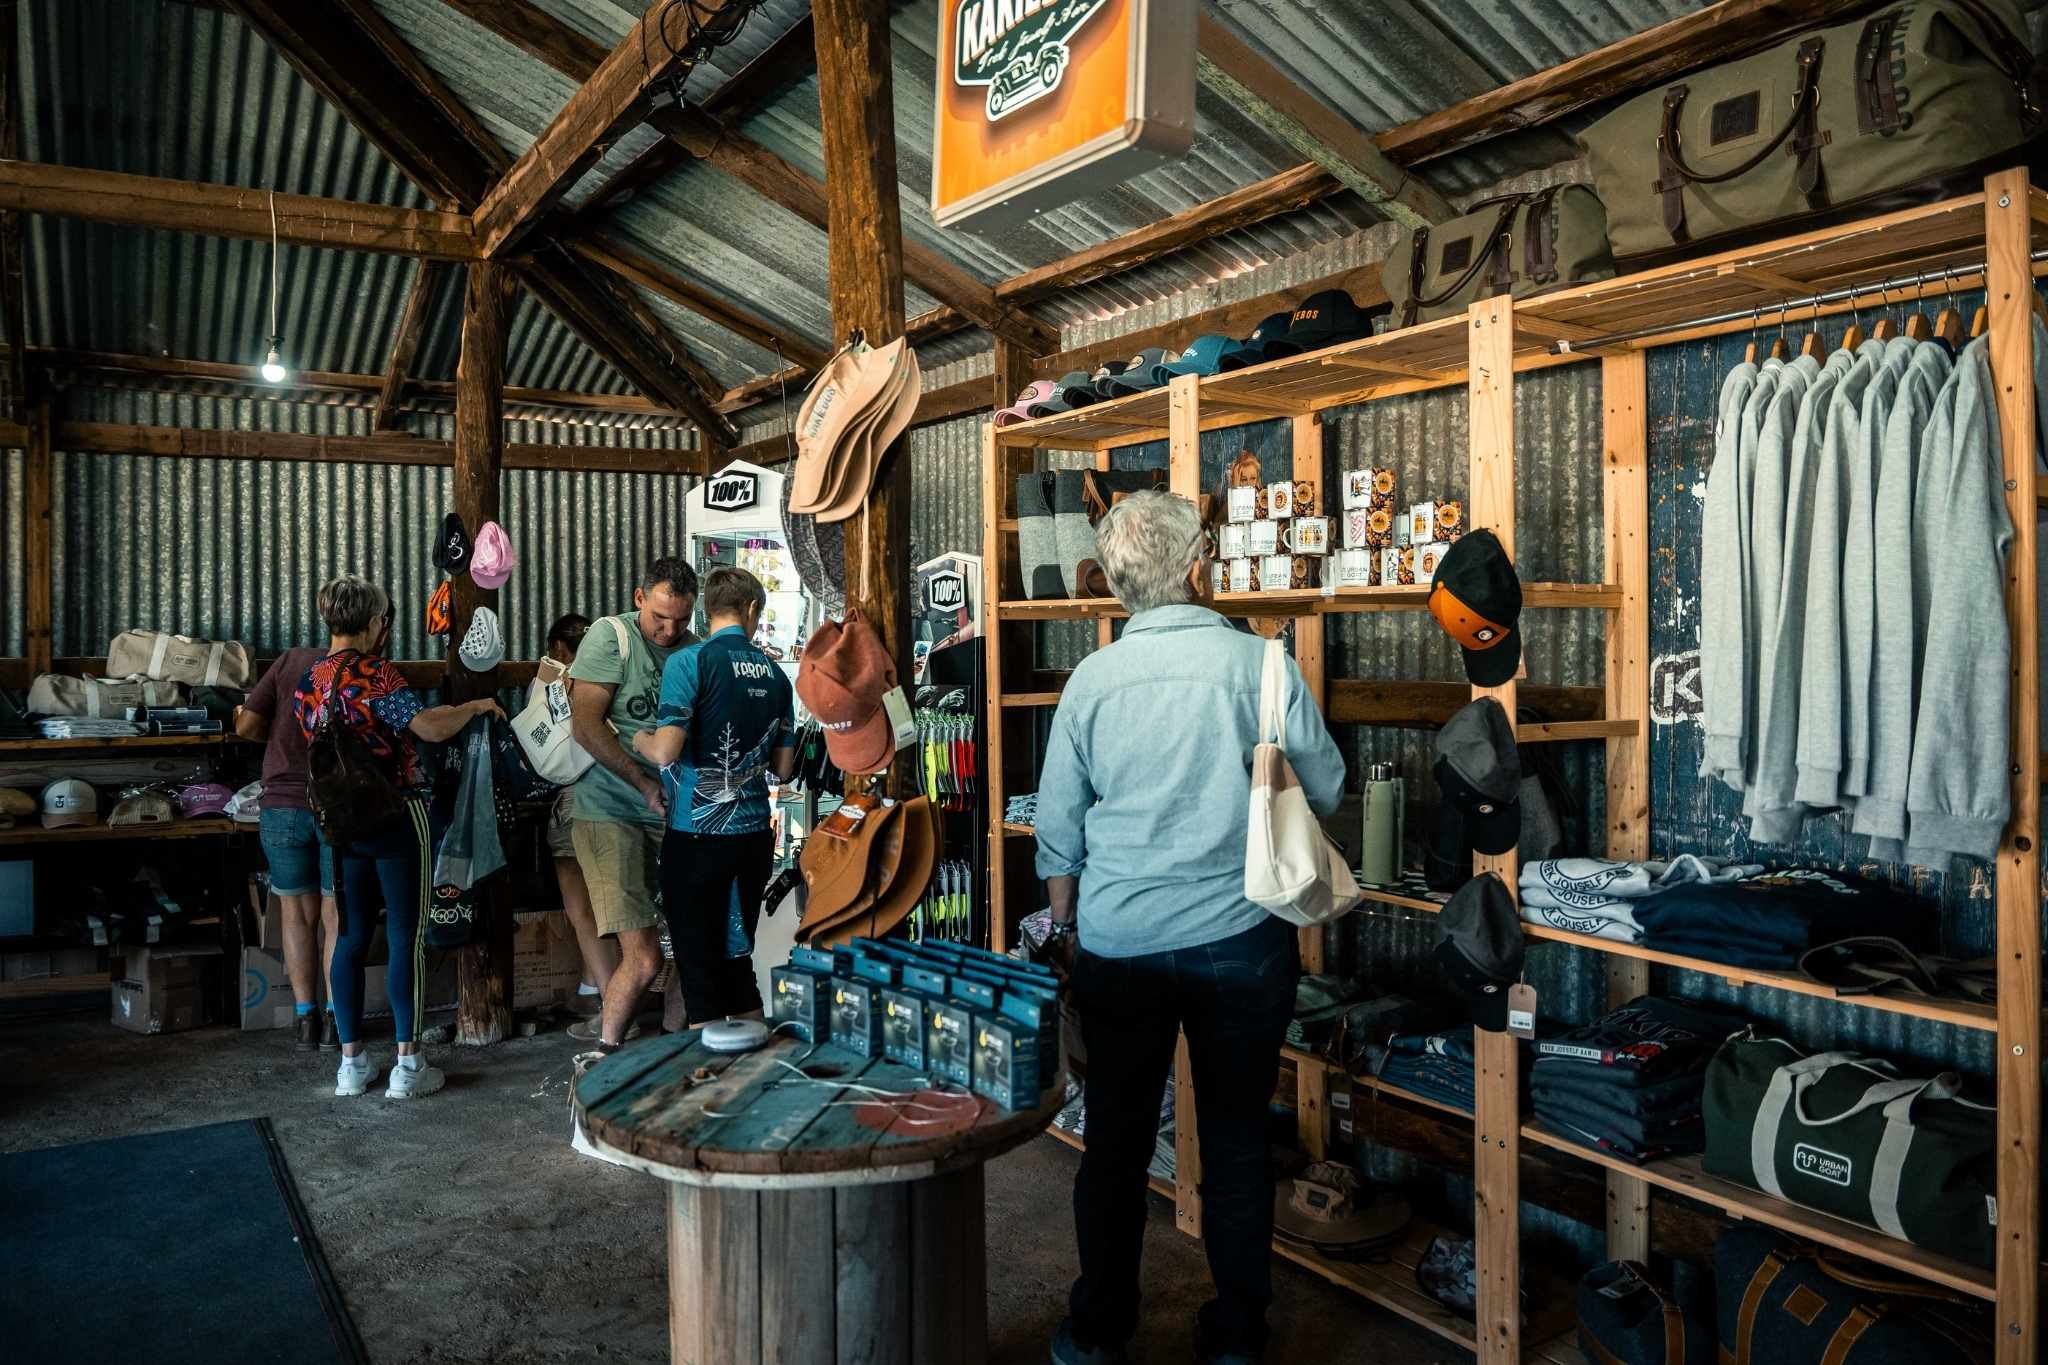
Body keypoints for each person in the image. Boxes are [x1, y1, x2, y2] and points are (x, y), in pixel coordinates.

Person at [1032, 490, 1345, 1365]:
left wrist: (1066, 924)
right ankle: (1237, 1335)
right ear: (1199, 567)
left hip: (1120, 942)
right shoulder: (1262, 665)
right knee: (1238, 1141)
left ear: (1117, 583)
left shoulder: (1091, 681)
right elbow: (1325, 787)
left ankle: (1099, 1328)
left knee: (1115, 1140)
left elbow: (1058, 828)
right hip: (1241, 939)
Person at [293, 574, 504, 1100]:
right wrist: (474, 707)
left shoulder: (310, 680)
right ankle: (408, 1065)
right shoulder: (376, 675)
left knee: (349, 937)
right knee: (406, 935)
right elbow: (428, 726)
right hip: (395, 815)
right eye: (384, 620)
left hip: (339, 824)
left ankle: (351, 1065)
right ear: (372, 623)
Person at [635, 567, 796, 1025]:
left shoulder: (689, 663)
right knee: (736, 959)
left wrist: (640, 740)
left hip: (696, 837)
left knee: (698, 967)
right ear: (752, 610)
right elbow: (783, 768)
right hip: (753, 839)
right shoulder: (777, 675)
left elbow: (665, 750)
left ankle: (710, 1065)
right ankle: (753, 1060)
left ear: (706, 611)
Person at [568, 556, 698, 1054]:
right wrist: (643, 783)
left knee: (690, 947)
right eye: (659, 617)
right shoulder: (611, 637)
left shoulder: (696, 648)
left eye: (681, 620)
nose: (669, 631)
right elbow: (586, 726)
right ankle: (603, 1060)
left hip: (675, 812)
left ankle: (671, 1051)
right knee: (644, 957)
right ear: (639, 598)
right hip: (611, 809)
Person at [236, 641, 340, 1052]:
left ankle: (305, 1019)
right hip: (337, 806)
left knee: (296, 914)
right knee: (336, 915)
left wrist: (281, 739)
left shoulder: (291, 661)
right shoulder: (365, 668)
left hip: (283, 803)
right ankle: (335, 1021)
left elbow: (245, 726)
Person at [537, 613, 620, 1041]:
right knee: (607, 907)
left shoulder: (560, 682)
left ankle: (613, 1008)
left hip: (575, 797)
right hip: (616, 796)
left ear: (559, 648)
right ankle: (593, 990)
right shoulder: (614, 680)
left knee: (581, 909)